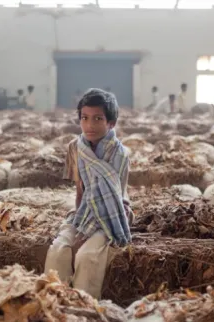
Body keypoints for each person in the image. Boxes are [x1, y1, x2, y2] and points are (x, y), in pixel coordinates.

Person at [44, 88, 132, 299]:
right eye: (84, 118)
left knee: (87, 256)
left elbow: (113, 197)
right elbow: (80, 191)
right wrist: (77, 224)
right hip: (84, 211)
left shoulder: (119, 153)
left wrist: (87, 233)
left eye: (98, 119)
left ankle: (84, 306)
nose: (89, 125)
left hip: (112, 213)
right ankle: (57, 302)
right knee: (59, 251)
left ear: (111, 123)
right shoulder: (75, 147)